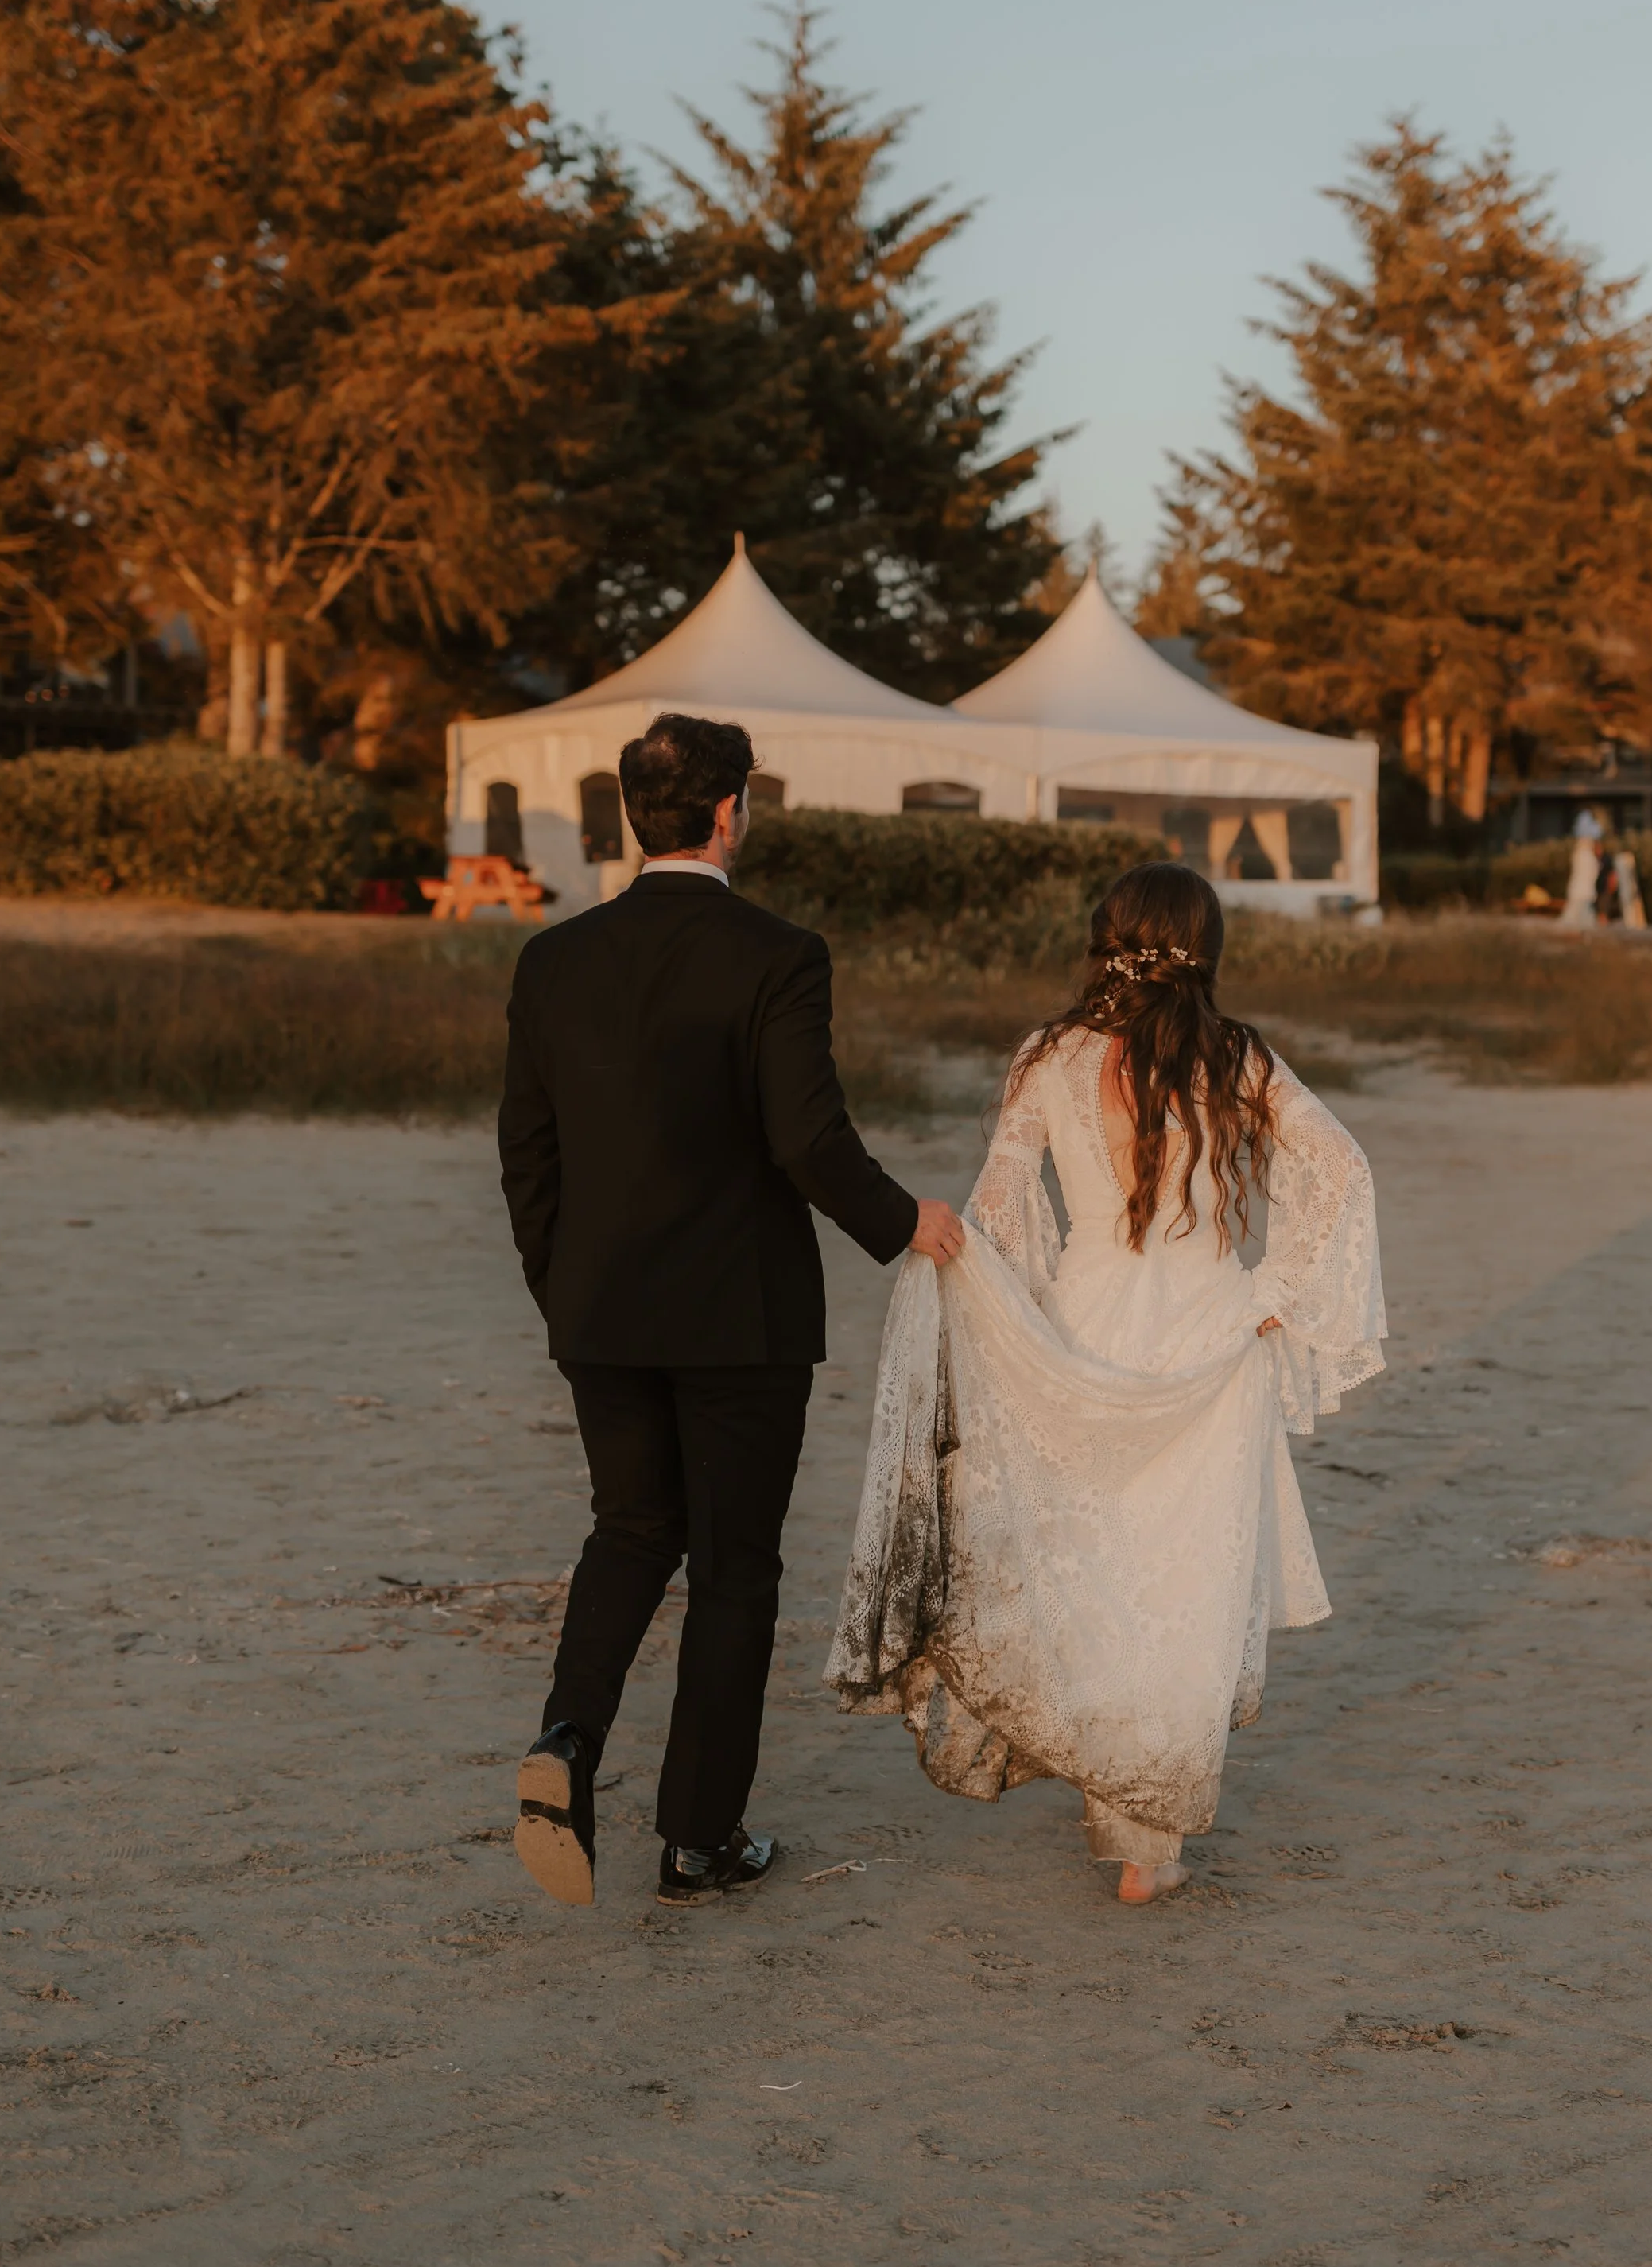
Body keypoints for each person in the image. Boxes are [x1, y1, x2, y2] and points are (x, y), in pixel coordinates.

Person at [827, 861, 1386, 1907]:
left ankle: (1112, 1796)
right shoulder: (1237, 1057)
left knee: (1090, 1559)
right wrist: (1277, 1289)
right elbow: (1342, 1168)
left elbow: (999, 1204)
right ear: (1204, 949)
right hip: (1206, 1326)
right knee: (1181, 1578)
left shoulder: (1048, 1055)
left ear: (1108, 937)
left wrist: (1018, 1313)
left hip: (1085, 1322)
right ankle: (1147, 1847)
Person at [497, 710, 964, 1912]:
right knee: (735, 1570)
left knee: (630, 1530)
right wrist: (906, 1221)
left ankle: (568, 1736)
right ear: (728, 813)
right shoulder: (777, 954)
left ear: (629, 816)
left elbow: (527, 1151)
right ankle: (700, 1839)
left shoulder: (552, 960)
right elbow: (803, 1136)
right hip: (739, 1317)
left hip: (600, 1307)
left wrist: (565, 1289)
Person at [1561, 806, 1604, 927]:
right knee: (1577, 923)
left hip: (1583, 894)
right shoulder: (1585, 853)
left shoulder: (1582, 852)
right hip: (1582, 895)